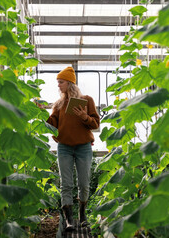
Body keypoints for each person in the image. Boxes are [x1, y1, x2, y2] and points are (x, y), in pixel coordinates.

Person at [46, 66, 100, 230]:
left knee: (84, 184)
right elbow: (50, 126)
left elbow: (96, 124)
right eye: (58, 82)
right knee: (66, 184)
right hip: (65, 148)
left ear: (70, 83)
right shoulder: (58, 104)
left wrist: (84, 117)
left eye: (61, 82)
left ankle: (82, 215)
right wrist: (41, 114)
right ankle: (69, 219)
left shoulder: (87, 100)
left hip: (83, 147)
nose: (58, 86)